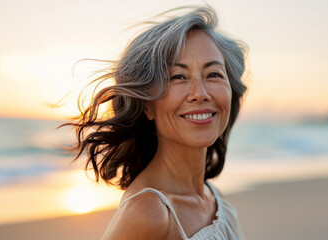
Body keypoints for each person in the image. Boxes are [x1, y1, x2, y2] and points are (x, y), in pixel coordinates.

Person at [66, 6, 248, 240]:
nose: (200, 93)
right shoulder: (148, 212)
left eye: (214, 74)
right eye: (178, 77)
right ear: (146, 105)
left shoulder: (213, 198)